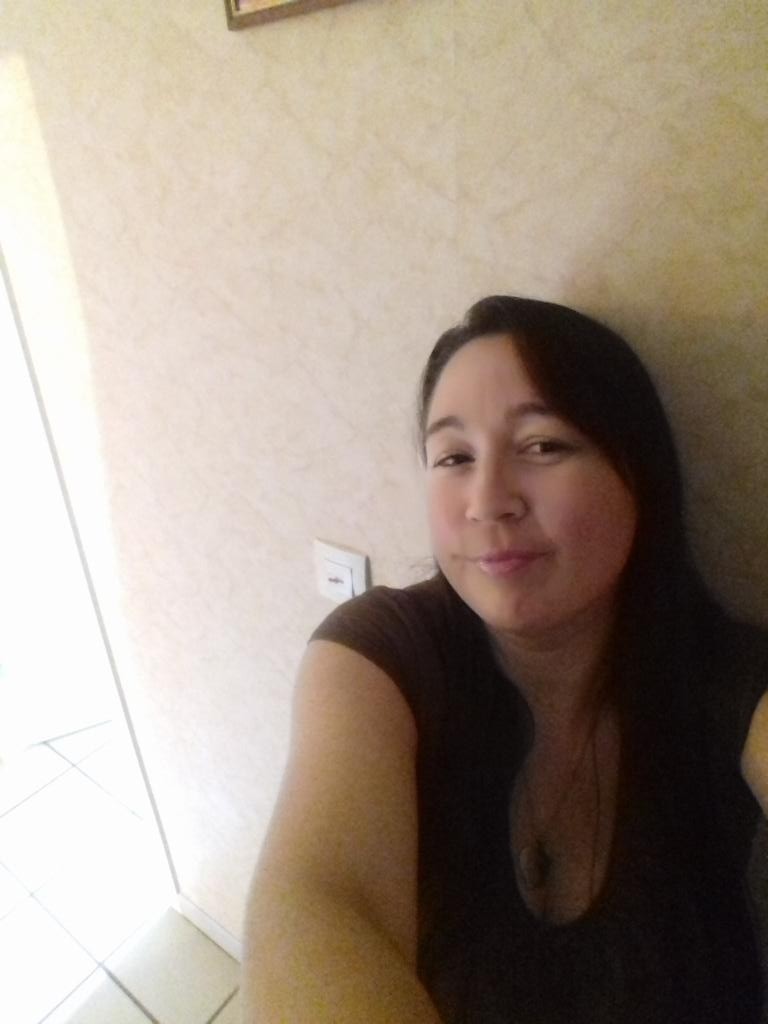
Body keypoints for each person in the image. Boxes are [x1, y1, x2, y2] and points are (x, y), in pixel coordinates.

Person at [242, 296, 768, 1023]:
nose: (487, 502)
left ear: (638, 474)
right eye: (454, 457)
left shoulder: (732, 683)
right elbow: (325, 901)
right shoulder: (381, 655)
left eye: (543, 445)